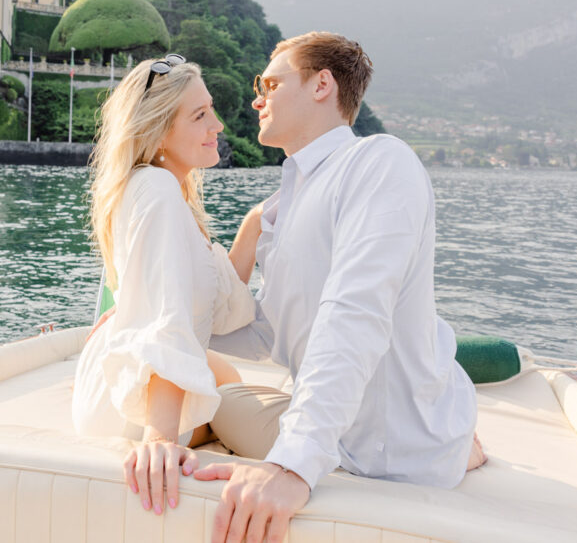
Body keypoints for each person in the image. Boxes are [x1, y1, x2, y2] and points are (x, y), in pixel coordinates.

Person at [193, 32, 484, 543]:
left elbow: (355, 310)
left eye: (269, 84)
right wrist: (165, 324)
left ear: (321, 84)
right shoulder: (286, 203)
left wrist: (292, 465)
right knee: (217, 389)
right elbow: (271, 333)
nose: (257, 99)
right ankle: (461, 438)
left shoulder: (380, 161)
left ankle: (455, 440)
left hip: (385, 448)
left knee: (217, 399)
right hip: (355, 428)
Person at [71, 55, 257, 516]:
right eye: (199, 115)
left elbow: (222, 309)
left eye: (211, 109)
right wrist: (159, 438)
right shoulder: (156, 190)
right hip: (133, 404)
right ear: (157, 133)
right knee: (240, 400)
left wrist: (254, 225)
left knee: (229, 384)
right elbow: (165, 321)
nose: (217, 125)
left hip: (120, 383)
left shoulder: (161, 190)